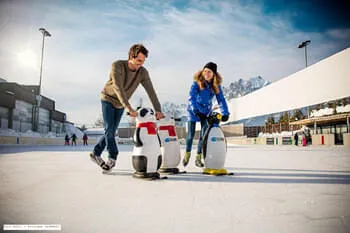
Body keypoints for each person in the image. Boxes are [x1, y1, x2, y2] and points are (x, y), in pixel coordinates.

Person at [90, 44, 164, 172]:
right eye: (139, 60)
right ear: (131, 57)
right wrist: (129, 107)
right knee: (109, 129)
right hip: (108, 98)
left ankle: (95, 153)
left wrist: (158, 109)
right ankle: (112, 158)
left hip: (121, 104)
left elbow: (151, 91)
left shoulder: (142, 72)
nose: (140, 64)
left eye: (143, 61)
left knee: (111, 131)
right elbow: (118, 88)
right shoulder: (117, 66)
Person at [183, 62, 230, 167]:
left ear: (214, 74)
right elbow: (191, 97)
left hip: (205, 112)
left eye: (209, 72)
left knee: (203, 136)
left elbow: (221, 99)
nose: (206, 74)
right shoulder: (196, 83)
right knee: (190, 135)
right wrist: (195, 110)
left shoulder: (215, 86)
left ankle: (198, 158)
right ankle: (187, 154)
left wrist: (225, 113)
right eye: (205, 71)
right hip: (193, 111)